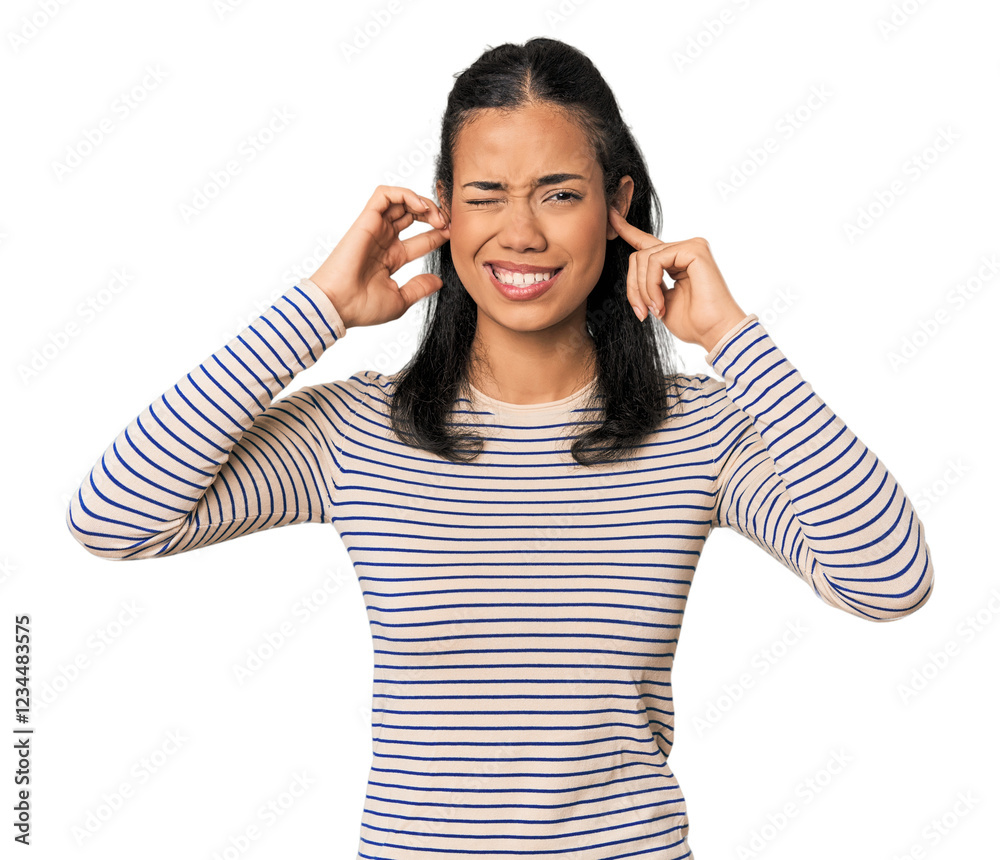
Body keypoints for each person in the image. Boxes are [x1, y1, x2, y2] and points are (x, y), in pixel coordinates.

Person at [66, 36, 934, 860]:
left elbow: (889, 582)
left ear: (617, 206)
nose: (520, 233)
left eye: (559, 193)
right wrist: (322, 305)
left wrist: (734, 339)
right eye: (486, 195)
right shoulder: (359, 431)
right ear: (444, 205)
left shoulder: (696, 428)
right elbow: (111, 519)